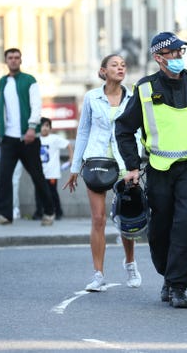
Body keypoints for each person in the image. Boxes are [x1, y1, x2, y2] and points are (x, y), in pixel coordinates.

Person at [116, 32, 187, 309]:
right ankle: (168, 277)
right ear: (158, 58)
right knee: (160, 230)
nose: (179, 56)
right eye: (173, 53)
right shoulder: (144, 89)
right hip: (158, 169)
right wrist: (132, 166)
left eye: (181, 52)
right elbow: (123, 128)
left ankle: (178, 286)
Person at [63, 54, 141, 292]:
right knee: (98, 219)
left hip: (123, 163)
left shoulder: (133, 97)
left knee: (126, 220)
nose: (120, 68)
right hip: (96, 161)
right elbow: (83, 132)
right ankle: (98, 274)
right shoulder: (91, 97)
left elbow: (137, 132)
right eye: (114, 65)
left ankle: (130, 263)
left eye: (123, 65)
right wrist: (76, 168)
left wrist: (133, 166)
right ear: (103, 71)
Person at [0, 48, 55, 226]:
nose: (13, 60)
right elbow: (2, 107)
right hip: (8, 138)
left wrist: (31, 127)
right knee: (4, 177)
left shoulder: (29, 80)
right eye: (10, 58)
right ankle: (5, 215)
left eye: (16, 57)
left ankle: (49, 212)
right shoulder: (3, 81)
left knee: (37, 176)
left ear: (21, 60)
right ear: (5, 61)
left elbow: (36, 105)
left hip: (28, 137)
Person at [0, 99, 23, 220]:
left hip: (18, 144)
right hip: (3, 145)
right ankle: (7, 208)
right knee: (6, 178)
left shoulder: (21, 102)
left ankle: (14, 208)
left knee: (14, 178)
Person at [35, 117, 73, 220]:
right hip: (39, 172)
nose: (44, 128)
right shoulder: (36, 138)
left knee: (52, 193)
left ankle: (58, 211)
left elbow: (68, 144)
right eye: (42, 126)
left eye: (47, 126)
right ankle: (39, 212)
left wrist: (71, 159)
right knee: (38, 193)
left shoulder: (54, 138)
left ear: (50, 127)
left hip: (52, 172)